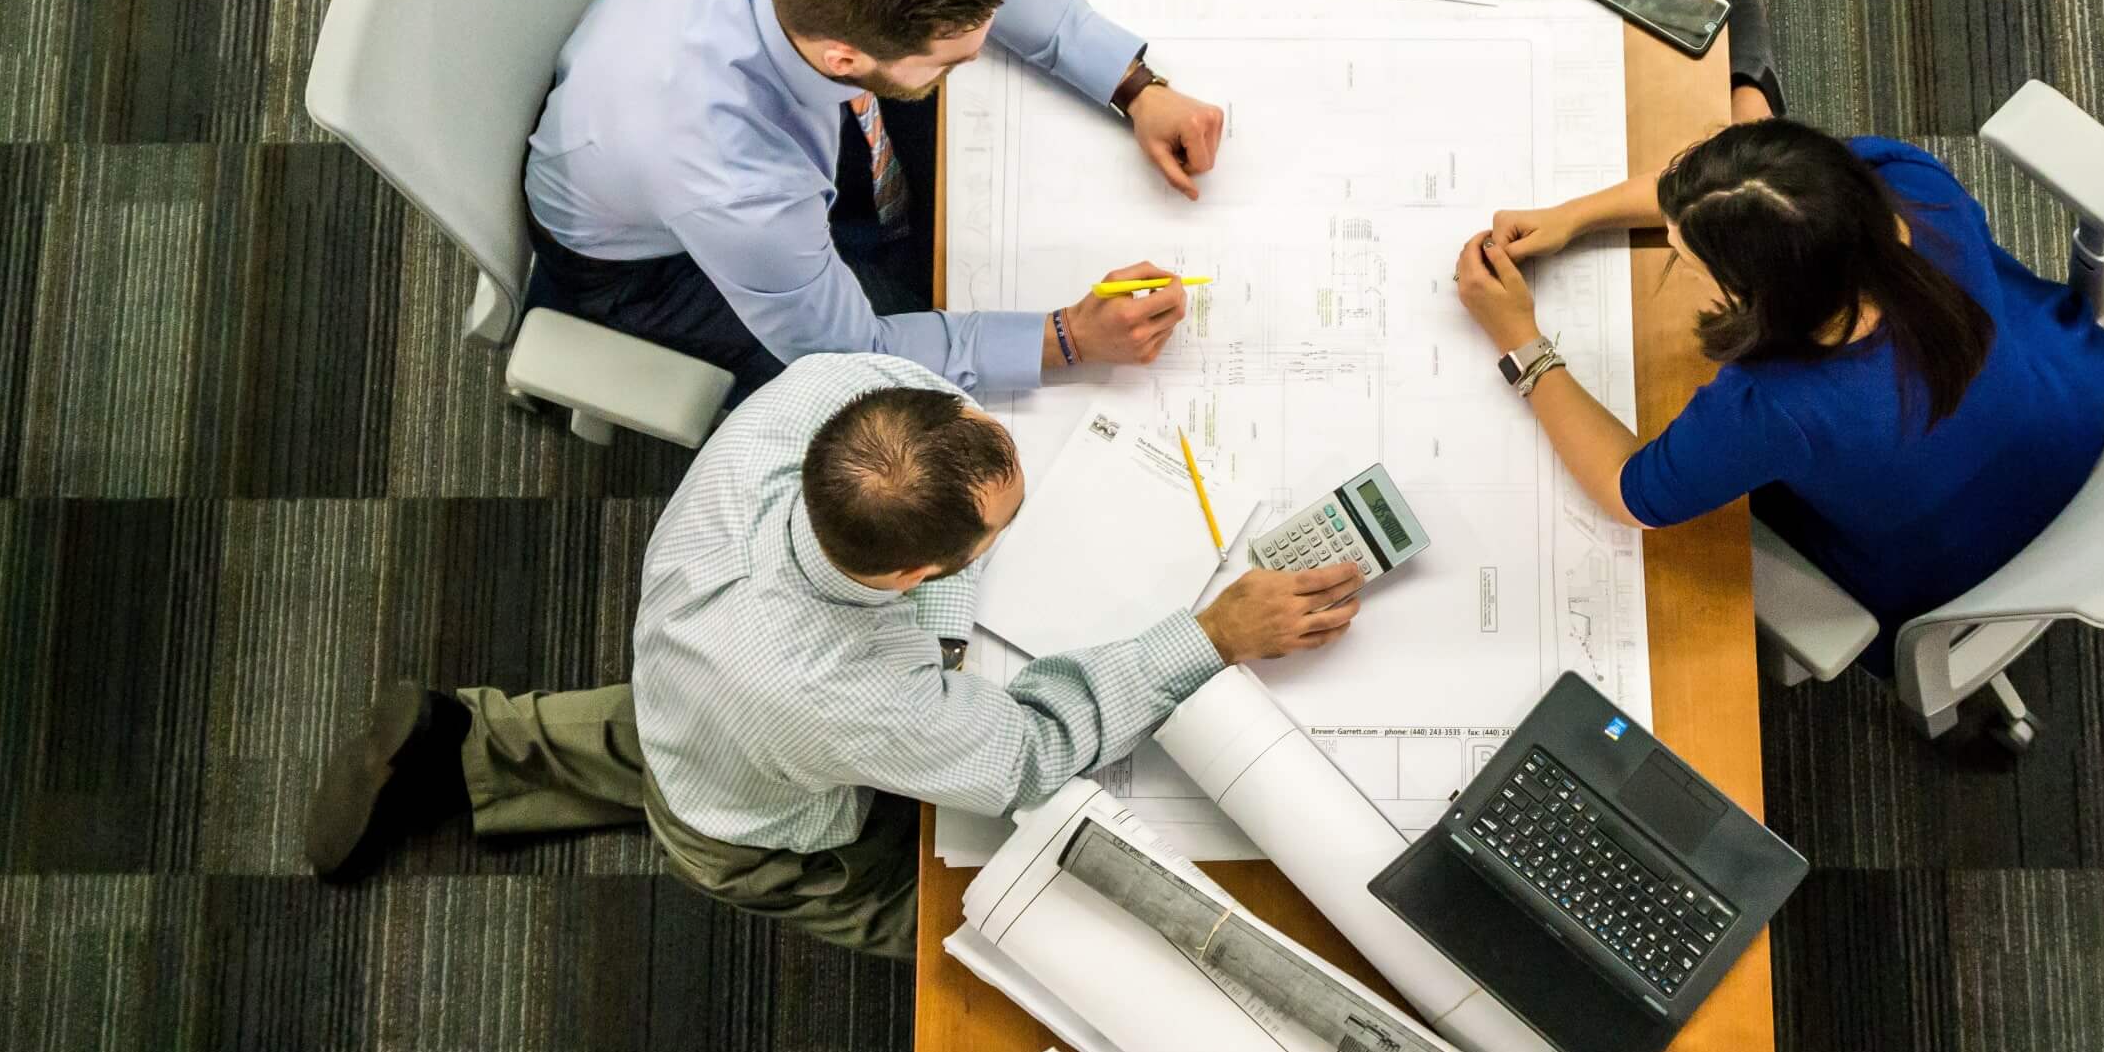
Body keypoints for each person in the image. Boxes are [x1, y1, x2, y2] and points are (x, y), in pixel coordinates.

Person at [303, 353, 1363, 958]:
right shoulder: (844, 695)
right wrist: (1209, 634)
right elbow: (1028, 755)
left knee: (685, 728)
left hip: (695, 677)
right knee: (974, 915)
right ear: (911, 575)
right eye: (995, 533)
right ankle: (989, 939)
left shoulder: (828, 398)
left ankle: (468, 742)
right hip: (759, 823)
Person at [1447, 0, 2104, 678]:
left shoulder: (1774, 408)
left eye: (1686, 258)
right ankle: (1755, 89)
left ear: (1759, 296)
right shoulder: (1901, 180)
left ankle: (1752, 85)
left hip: (1964, 567)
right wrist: (1575, 215)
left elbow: (1633, 495)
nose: (1674, 259)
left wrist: (1520, 341)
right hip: (2085, 407)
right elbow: (1740, 191)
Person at [524, 0, 1232, 402]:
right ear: (843, 58)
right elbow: (849, 353)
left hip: (657, 99)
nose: (977, 58)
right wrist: (1067, 339)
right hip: (645, 264)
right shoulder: (733, 179)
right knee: (907, 399)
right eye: (951, 59)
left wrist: (1132, 84)